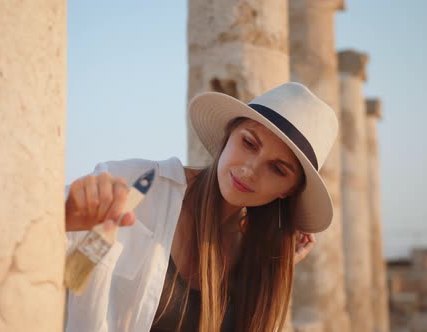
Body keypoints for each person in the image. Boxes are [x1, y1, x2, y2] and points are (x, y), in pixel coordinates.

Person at [64, 82, 339, 332]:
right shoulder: (136, 187)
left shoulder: (257, 260)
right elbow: (65, 271)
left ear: (288, 190)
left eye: (277, 169)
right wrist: (68, 221)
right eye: (249, 143)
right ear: (229, 133)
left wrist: (273, 267)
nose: (249, 170)